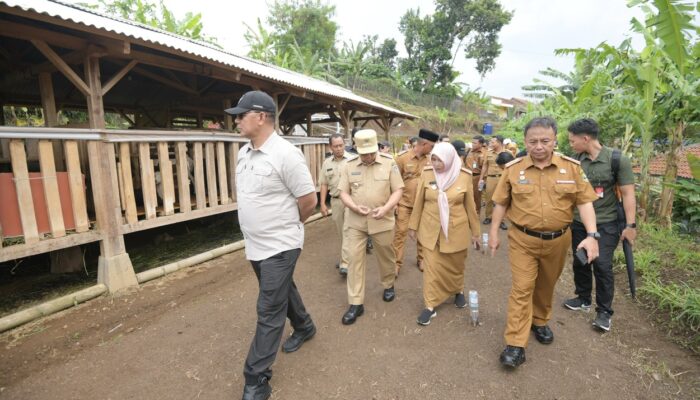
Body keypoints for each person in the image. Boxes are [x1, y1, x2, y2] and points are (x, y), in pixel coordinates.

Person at [225, 90, 318, 400]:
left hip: (281, 245)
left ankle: (256, 379)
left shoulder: (286, 154)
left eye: (241, 115)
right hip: (255, 245)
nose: (236, 120)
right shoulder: (243, 153)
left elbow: (309, 201)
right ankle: (304, 326)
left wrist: (290, 227)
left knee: (268, 309)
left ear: (261, 117)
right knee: (280, 290)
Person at [488, 116, 600, 369]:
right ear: (525, 142)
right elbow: (501, 203)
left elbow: (584, 203)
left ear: (555, 141)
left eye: (545, 141)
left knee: (546, 285)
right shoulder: (513, 169)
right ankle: (515, 343)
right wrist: (494, 232)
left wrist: (592, 236)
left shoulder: (571, 168)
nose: (538, 146)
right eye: (533, 141)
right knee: (522, 288)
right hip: (522, 240)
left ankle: (539, 320)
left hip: (558, 241)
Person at [564, 118, 637, 332]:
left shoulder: (616, 159)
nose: (571, 144)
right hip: (579, 222)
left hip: (607, 222)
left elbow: (628, 193)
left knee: (602, 265)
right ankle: (583, 298)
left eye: (572, 140)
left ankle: (604, 311)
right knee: (581, 261)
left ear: (585, 138)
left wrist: (631, 225)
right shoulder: (576, 160)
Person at [408, 143, 481, 325]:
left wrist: (476, 233)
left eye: (439, 160)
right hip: (430, 229)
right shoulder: (427, 173)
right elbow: (419, 202)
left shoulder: (463, 176)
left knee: (455, 266)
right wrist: (413, 226)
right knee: (431, 268)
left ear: (449, 158)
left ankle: (458, 291)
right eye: (433, 158)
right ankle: (430, 306)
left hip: (456, 231)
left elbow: (470, 207)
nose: (435, 163)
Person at [337, 129, 404, 325]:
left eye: (371, 152)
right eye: (364, 153)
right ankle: (356, 303)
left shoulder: (389, 163)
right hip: (356, 222)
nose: (367, 156)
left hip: (382, 219)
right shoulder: (349, 166)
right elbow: (343, 192)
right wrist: (354, 207)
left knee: (386, 256)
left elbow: (398, 189)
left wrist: (386, 208)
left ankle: (388, 284)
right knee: (354, 259)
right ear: (357, 150)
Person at [392, 129, 439, 275]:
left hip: (425, 205)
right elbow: (393, 181)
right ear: (424, 144)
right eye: (431, 146)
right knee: (400, 233)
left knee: (424, 233)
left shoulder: (432, 159)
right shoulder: (401, 159)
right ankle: (396, 263)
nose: (433, 149)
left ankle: (422, 259)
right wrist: (394, 203)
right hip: (405, 204)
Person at [319, 133, 353, 276]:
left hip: (351, 201)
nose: (339, 148)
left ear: (344, 144)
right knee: (341, 233)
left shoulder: (352, 160)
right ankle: (348, 259)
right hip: (336, 201)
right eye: (335, 146)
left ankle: (345, 263)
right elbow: (324, 184)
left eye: (341, 145)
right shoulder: (327, 163)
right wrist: (322, 204)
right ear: (330, 147)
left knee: (347, 231)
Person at [479, 135, 510, 230]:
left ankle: (502, 220)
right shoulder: (488, 153)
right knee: (489, 198)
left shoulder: (508, 153)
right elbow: (484, 166)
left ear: (499, 143)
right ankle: (488, 217)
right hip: (491, 178)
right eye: (490, 142)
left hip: (503, 179)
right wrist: (481, 178)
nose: (490, 144)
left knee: (502, 200)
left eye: (493, 142)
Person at [465, 135, 487, 216]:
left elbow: (485, 168)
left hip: (477, 177)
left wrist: (482, 180)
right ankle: (467, 212)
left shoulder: (485, 153)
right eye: (472, 142)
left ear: (481, 144)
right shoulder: (468, 151)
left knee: (476, 197)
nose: (472, 144)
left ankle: (476, 214)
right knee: (466, 195)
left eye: (475, 143)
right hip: (467, 177)